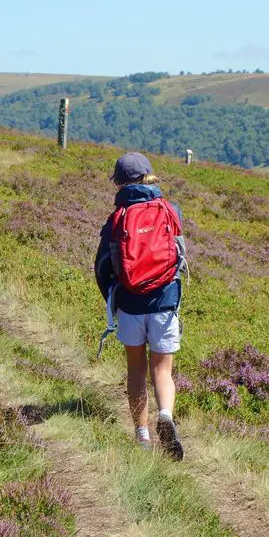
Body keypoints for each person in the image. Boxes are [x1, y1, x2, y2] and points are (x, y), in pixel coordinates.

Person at [94, 152, 187, 460]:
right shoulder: (170, 210)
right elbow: (179, 255)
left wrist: (113, 300)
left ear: (119, 182)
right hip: (165, 302)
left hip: (131, 306)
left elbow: (103, 267)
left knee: (136, 369)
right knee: (162, 370)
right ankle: (165, 416)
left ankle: (143, 436)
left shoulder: (116, 219)